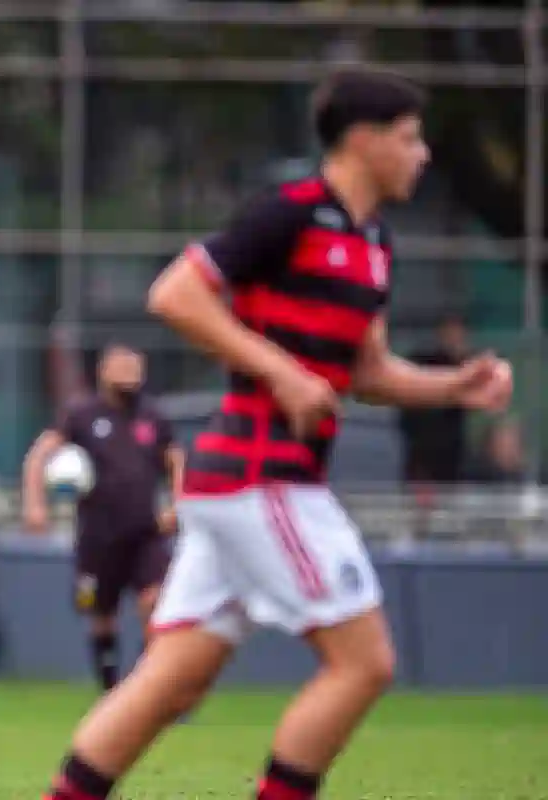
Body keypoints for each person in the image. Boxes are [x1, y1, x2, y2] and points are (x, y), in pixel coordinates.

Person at [44, 67, 513, 800]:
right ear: (362, 140)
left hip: (236, 487)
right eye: (409, 138)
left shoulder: (375, 242)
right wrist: (284, 373)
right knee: (365, 664)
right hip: (261, 477)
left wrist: (454, 386)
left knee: (172, 683)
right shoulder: (291, 212)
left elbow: (367, 371)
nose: (422, 155)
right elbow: (175, 294)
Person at [22, 344, 184, 691]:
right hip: (97, 535)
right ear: (103, 371)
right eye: (121, 366)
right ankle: (110, 689)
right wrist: (36, 505)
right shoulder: (81, 414)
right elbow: (39, 456)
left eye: (135, 367)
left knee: (154, 602)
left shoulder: (154, 416)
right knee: (101, 615)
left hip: (146, 531)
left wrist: (178, 504)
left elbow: (176, 461)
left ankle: (154, 687)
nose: (129, 373)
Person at [399, 315, 470, 484]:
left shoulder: (466, 366)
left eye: (459, 335)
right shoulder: (422, 361)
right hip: (421, 452)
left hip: (452, 456)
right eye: (450, 334)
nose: (454, 340)